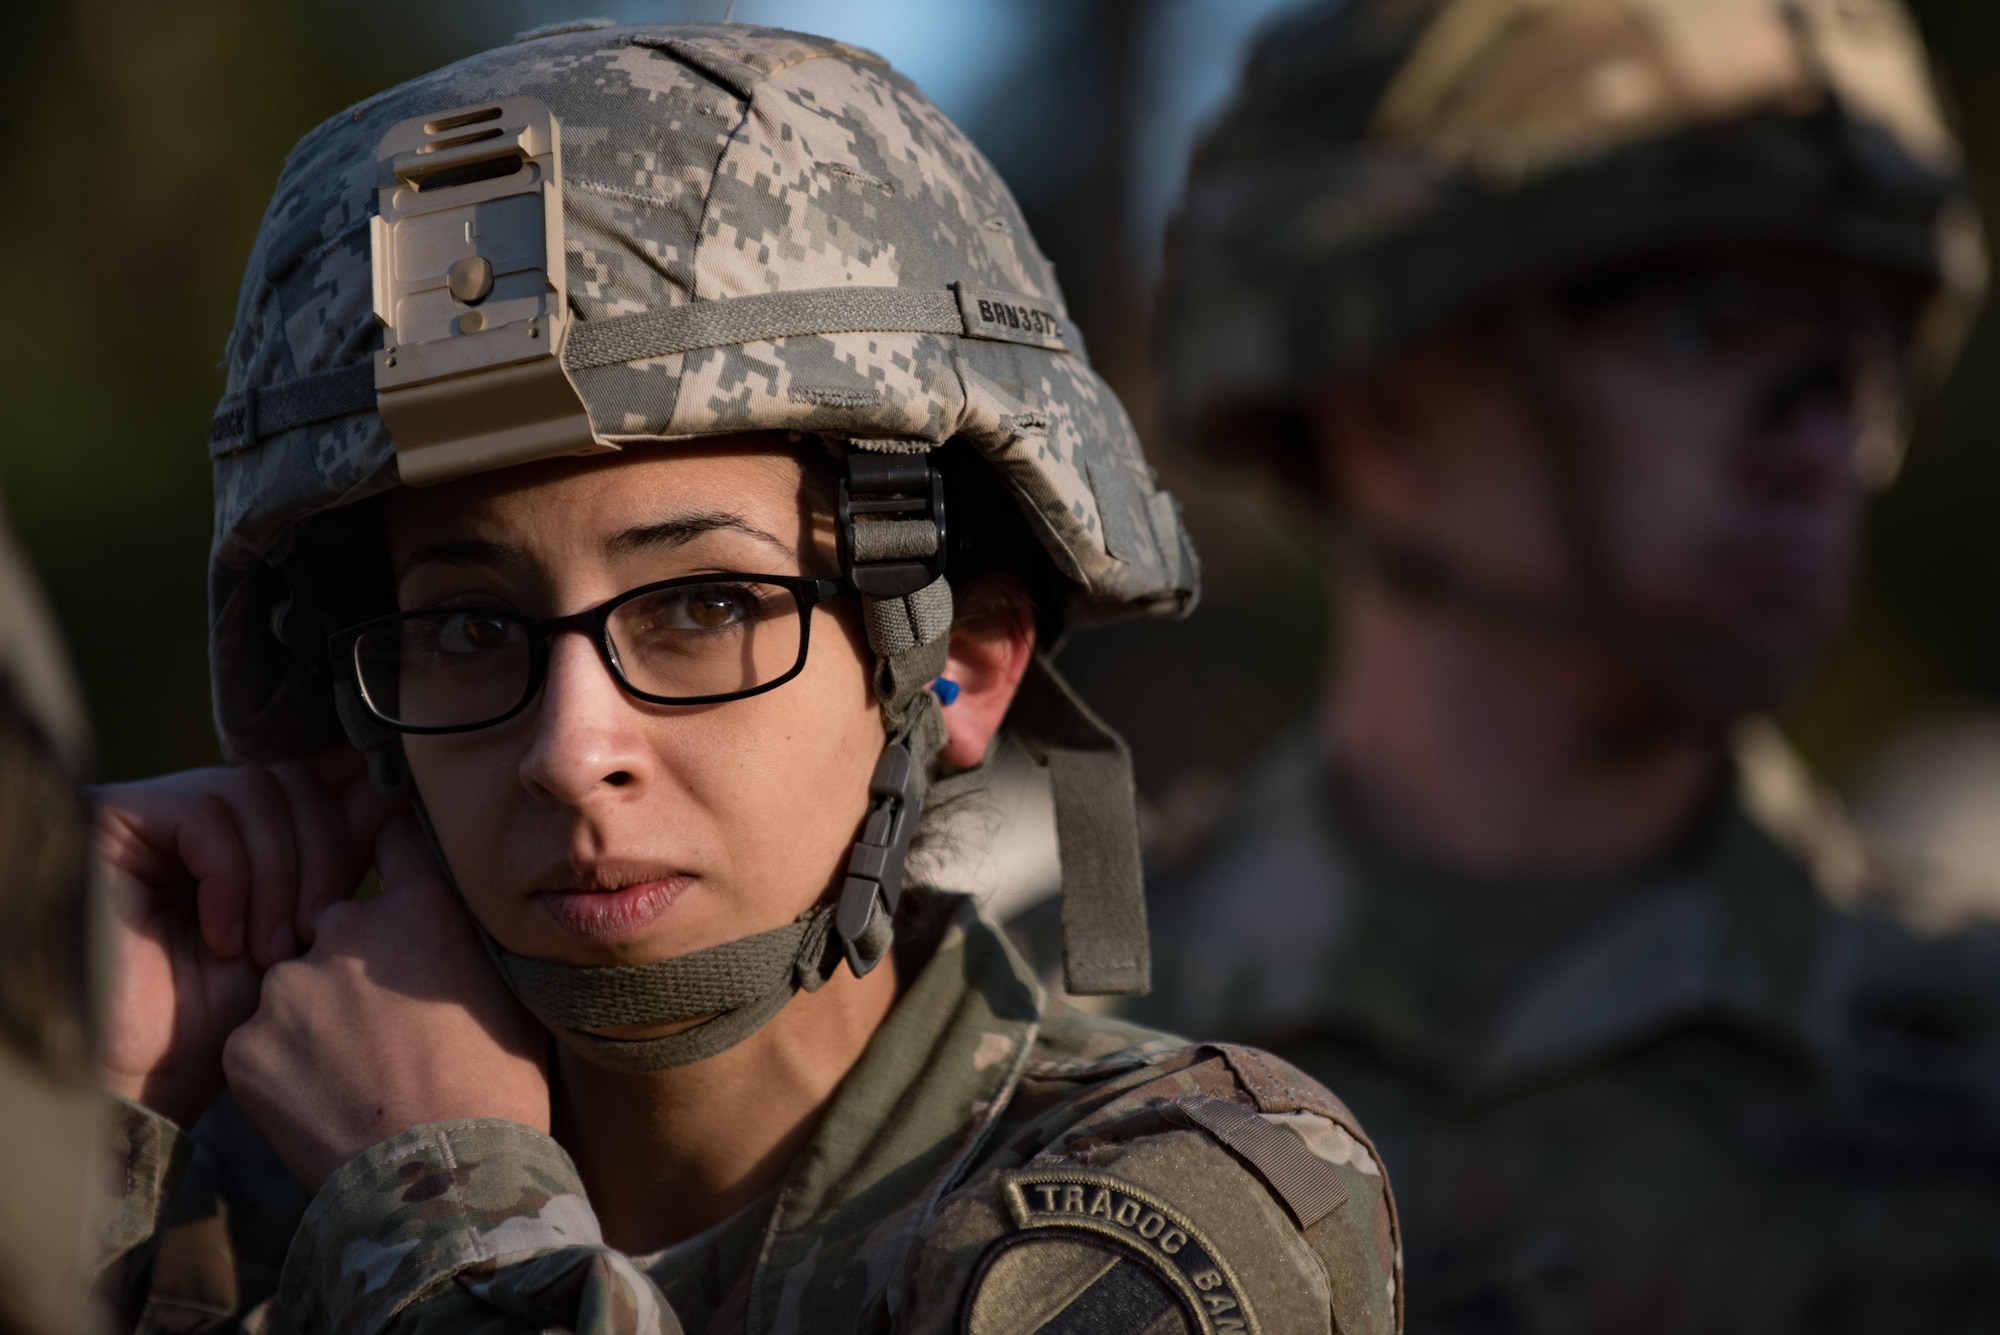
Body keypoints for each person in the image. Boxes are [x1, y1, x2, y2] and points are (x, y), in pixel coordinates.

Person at [87, 22, 1402, 1335]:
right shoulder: (238, 1193)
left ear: (954, 675)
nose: (568, 747)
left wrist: (440, 1223)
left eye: (705, 607)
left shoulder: (1188, 1205)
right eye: (474, 630)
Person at [1132, 0, 2000, 1330]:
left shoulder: (1963, 1074)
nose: (1822, 449)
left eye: (1857, 360)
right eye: (1703, 330)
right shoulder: (1026, 1053)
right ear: (1385, 404)